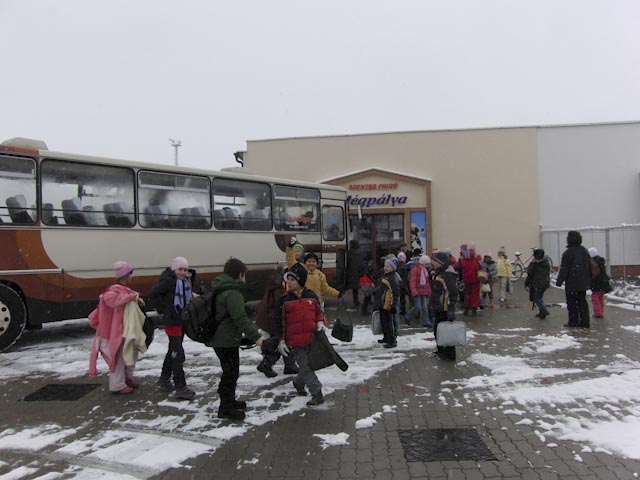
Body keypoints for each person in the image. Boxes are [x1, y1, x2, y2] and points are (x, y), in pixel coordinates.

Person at [208, 258, 264, 420]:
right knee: (230, 374)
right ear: (240, 274)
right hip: (225, 340)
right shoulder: (233, 292)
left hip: (221, 337)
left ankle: (230, 402)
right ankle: (225, 408)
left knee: (231, 372)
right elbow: (240, 319)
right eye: (244, 274)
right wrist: (257, 338)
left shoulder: (221, 287)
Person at [89, 261, 146, 394]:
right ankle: (117, 385)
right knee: (118, 357)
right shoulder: (112, 291)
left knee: (130, 352)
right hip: (113, 331)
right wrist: (131, 297)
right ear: (126, 275)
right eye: (130, 273)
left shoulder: (122, 290)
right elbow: (114, 301)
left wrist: (134, 298)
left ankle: (127, 377)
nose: (131, 276)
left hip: (122, 329)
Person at [275, 263, 325, 406]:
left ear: (300, 281)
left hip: (312, 339)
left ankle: (298, 382)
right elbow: (279, 322)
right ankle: (317, 393)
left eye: (292, 280)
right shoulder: (284, 300)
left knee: (308, 367)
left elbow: (318, 313)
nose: (289, 282)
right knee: (305, 367)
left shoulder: (311, 296)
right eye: (288, 279)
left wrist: (320, 322)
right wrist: (281, 340)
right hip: (295, 342)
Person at [147, 256, 197, 400]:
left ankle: (164, 379)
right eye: (180, 269)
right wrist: (164, 309)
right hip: (172, 320)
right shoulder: (168, 281)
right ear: (174, 269)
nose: (183, 272)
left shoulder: (183, 281)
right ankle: (180, 387)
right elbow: (153, 293)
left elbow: (185, 296)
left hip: (180, 320)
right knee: (178, 353)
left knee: (173, 350)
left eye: (185, 269)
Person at [255, 266, 299, 378]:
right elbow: (281, 307)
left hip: (269, 317)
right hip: (273, 319)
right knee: (280, 341)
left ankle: (288, 365)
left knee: (283, 340)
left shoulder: (275, 284)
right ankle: (267, 364)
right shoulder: (279, 289)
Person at [556, 231, 591, 328]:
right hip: (583, 281)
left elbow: (564, 269)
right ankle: (585, 322)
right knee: (582, 302)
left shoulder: (568, 253)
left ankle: (573, 321)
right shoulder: (584, 250)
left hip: (572, 282)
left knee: (572, 303)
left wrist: (559, 281)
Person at [430, 252, 459, 361]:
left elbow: (453, 293)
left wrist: (451, 308)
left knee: (447, 331)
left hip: (445, 308)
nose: (433, 262)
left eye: (435, 261)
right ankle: (441, 350)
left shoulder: (447, 276)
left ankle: (450, 354)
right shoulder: (437, 273)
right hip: (438, 307)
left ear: (441, 263)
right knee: (438, 330)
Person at [374, 257, 399, 348]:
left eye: (388, 266)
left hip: (388, 304)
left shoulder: (392, 278)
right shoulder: (385, 276)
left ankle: (392, 340)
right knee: (384, 322)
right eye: (385, 266)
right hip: (383, 303)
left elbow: (395, 293)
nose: (386, 268)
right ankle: (386, 337)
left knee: (389, 323)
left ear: (392, 268)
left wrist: (394, 305)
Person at [405, 255, 432, 327]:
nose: (428, 266)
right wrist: (414, 291)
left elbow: (426, 282)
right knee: (417, 307)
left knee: (424, 307)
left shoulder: (424, 270)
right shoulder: (415, 270)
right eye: (426, 264)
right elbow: (412, 281)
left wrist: (428, 291)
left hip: (423, 291)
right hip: (417, 291)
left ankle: (426, 322)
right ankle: (407, 317)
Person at [524, 249, 551, 319]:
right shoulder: (546, 262)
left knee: (536, 298)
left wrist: (526, 283)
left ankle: (544, 311)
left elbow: (530, 274)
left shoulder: (534, 264)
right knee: (539, 297)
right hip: (545, 283)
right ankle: (542, 312)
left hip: (537, 283)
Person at [588, 247, 611, 319]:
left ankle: (598, 313)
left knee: (595, 298)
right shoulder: (600, 261)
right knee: (600, 298)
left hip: (597, 283)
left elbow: (593, 274)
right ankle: (601, 312)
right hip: (603, 282)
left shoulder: (592, 262)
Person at [460, 242, 481, 316]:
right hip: (475, 277)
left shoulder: (463, 256)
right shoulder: (477, 256)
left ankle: (466, 309)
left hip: (466, 277)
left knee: (467, 293)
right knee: (475, 294)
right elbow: (480, 265)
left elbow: (460, 265)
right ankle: (474, 310)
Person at [346, 239, 365, 308]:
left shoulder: (349, 253)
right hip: (360, 271)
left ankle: (356, 301)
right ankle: (368, 301)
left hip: (352, 272)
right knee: (365, 286)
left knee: (355, 289)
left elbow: (347, 263)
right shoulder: (361, 252)